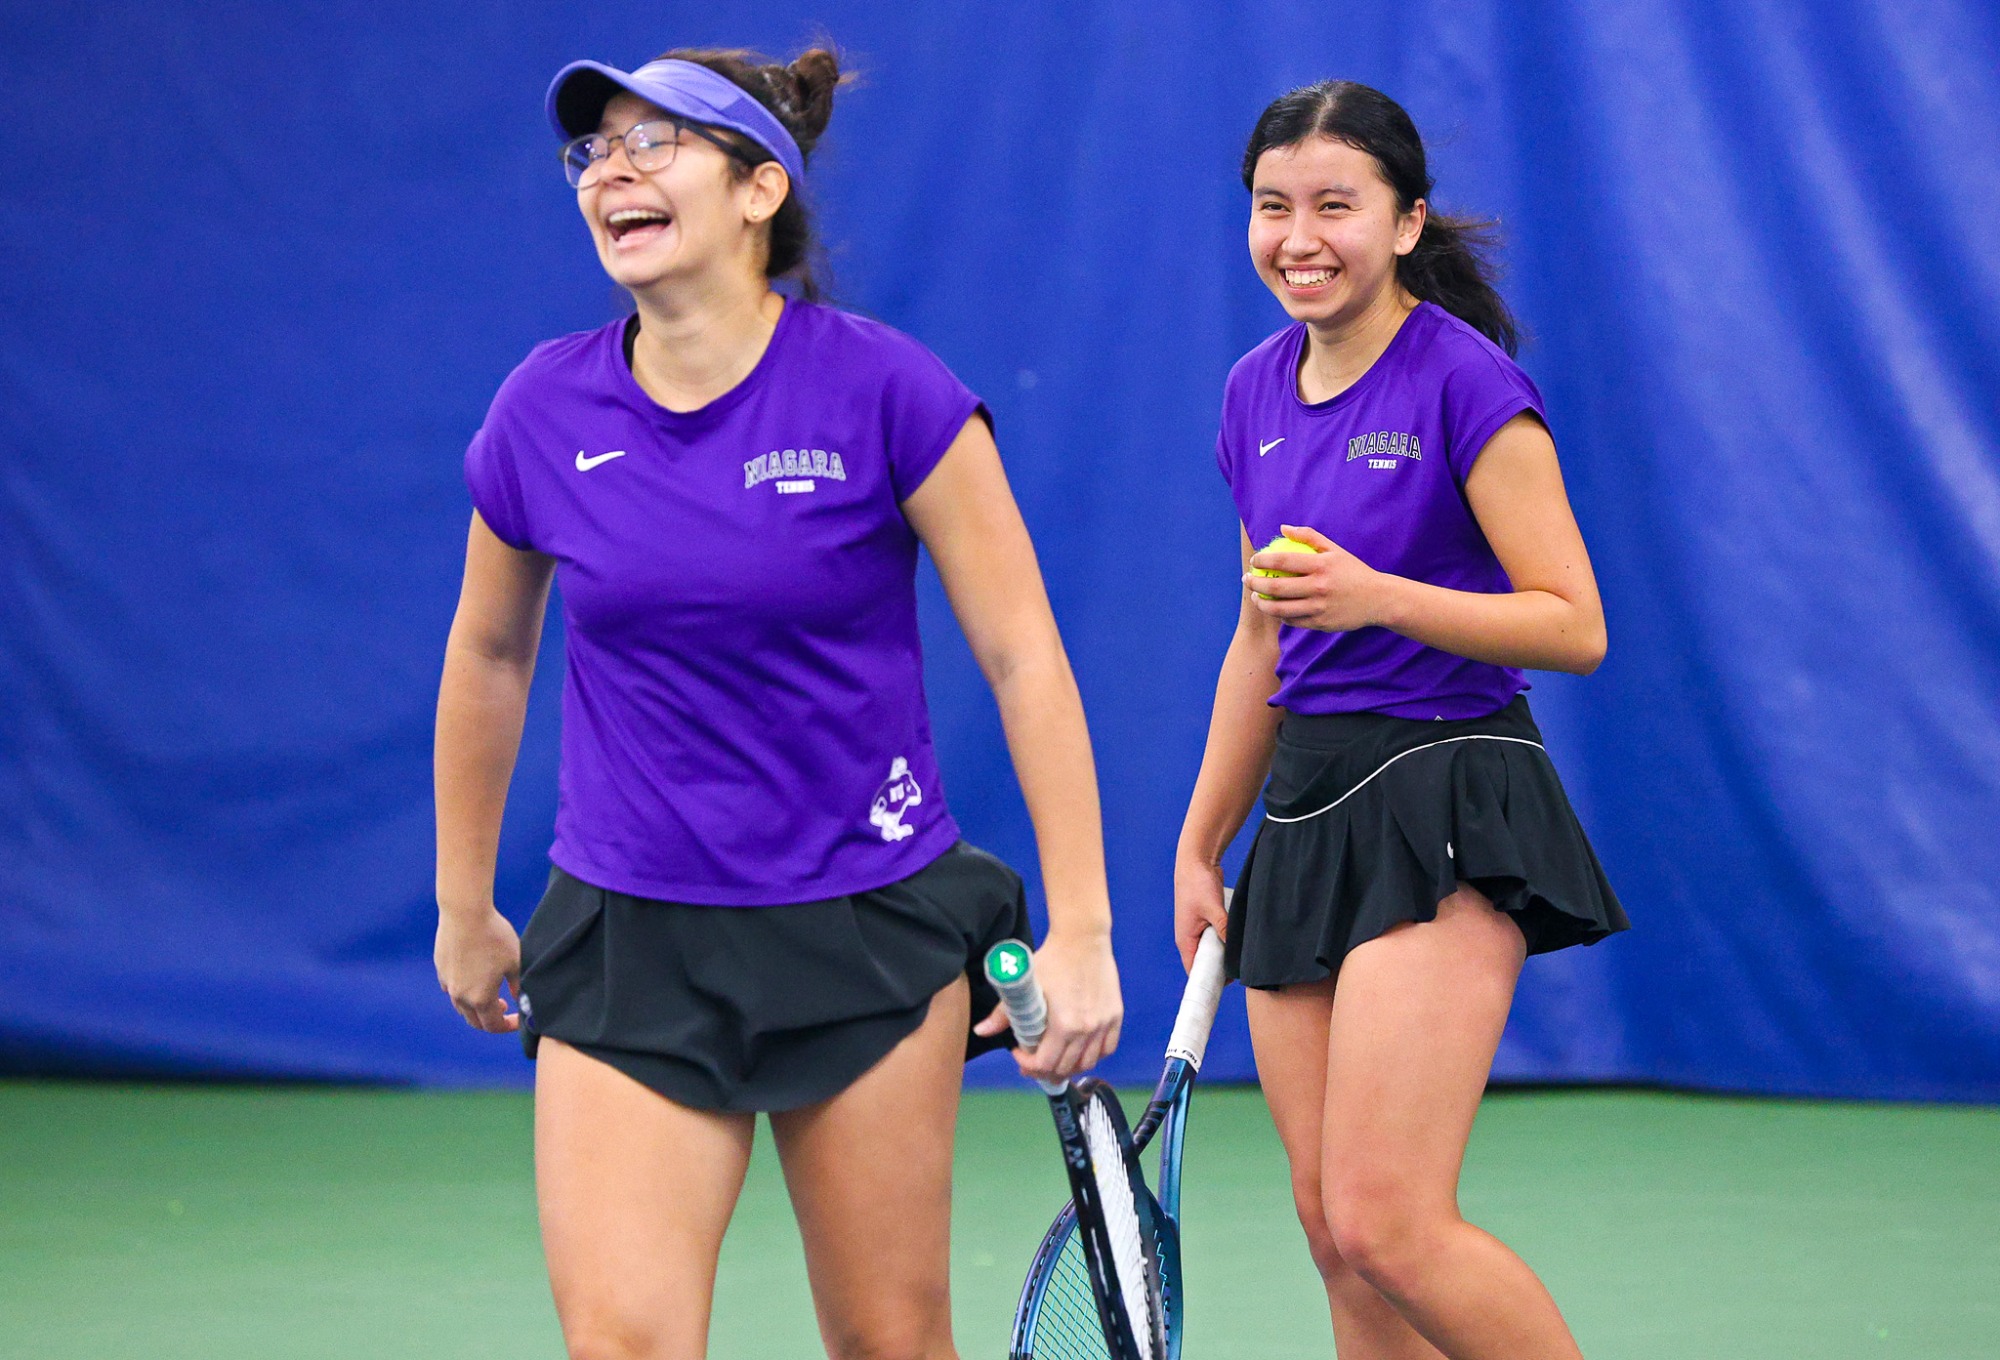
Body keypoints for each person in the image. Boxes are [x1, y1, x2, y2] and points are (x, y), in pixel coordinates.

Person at [432, 46, 1122, 1360]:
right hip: (631, 940)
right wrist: (466, 906)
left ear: (759, 190)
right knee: (622, 1342)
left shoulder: (888, 391)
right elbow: (489, 658)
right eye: (594, 153)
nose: (612, 172)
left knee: (887, 1341)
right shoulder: (542, 409)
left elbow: (1026, 655)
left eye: (657, 143)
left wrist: (1082, 926)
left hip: (863, 930)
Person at [1174, 81, 1628, 1360]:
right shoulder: (1252, 393)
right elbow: (1259, 635)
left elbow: (1571, 623)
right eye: (1272, 207)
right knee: (1334, 1234)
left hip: (1446, 790)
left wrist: (1381, 598)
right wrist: (1200, 842)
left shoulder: (1465, 384)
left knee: (1388, 1218)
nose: (1298, 237)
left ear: (1406, 220)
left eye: (1335, 206)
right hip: (1302, 814)